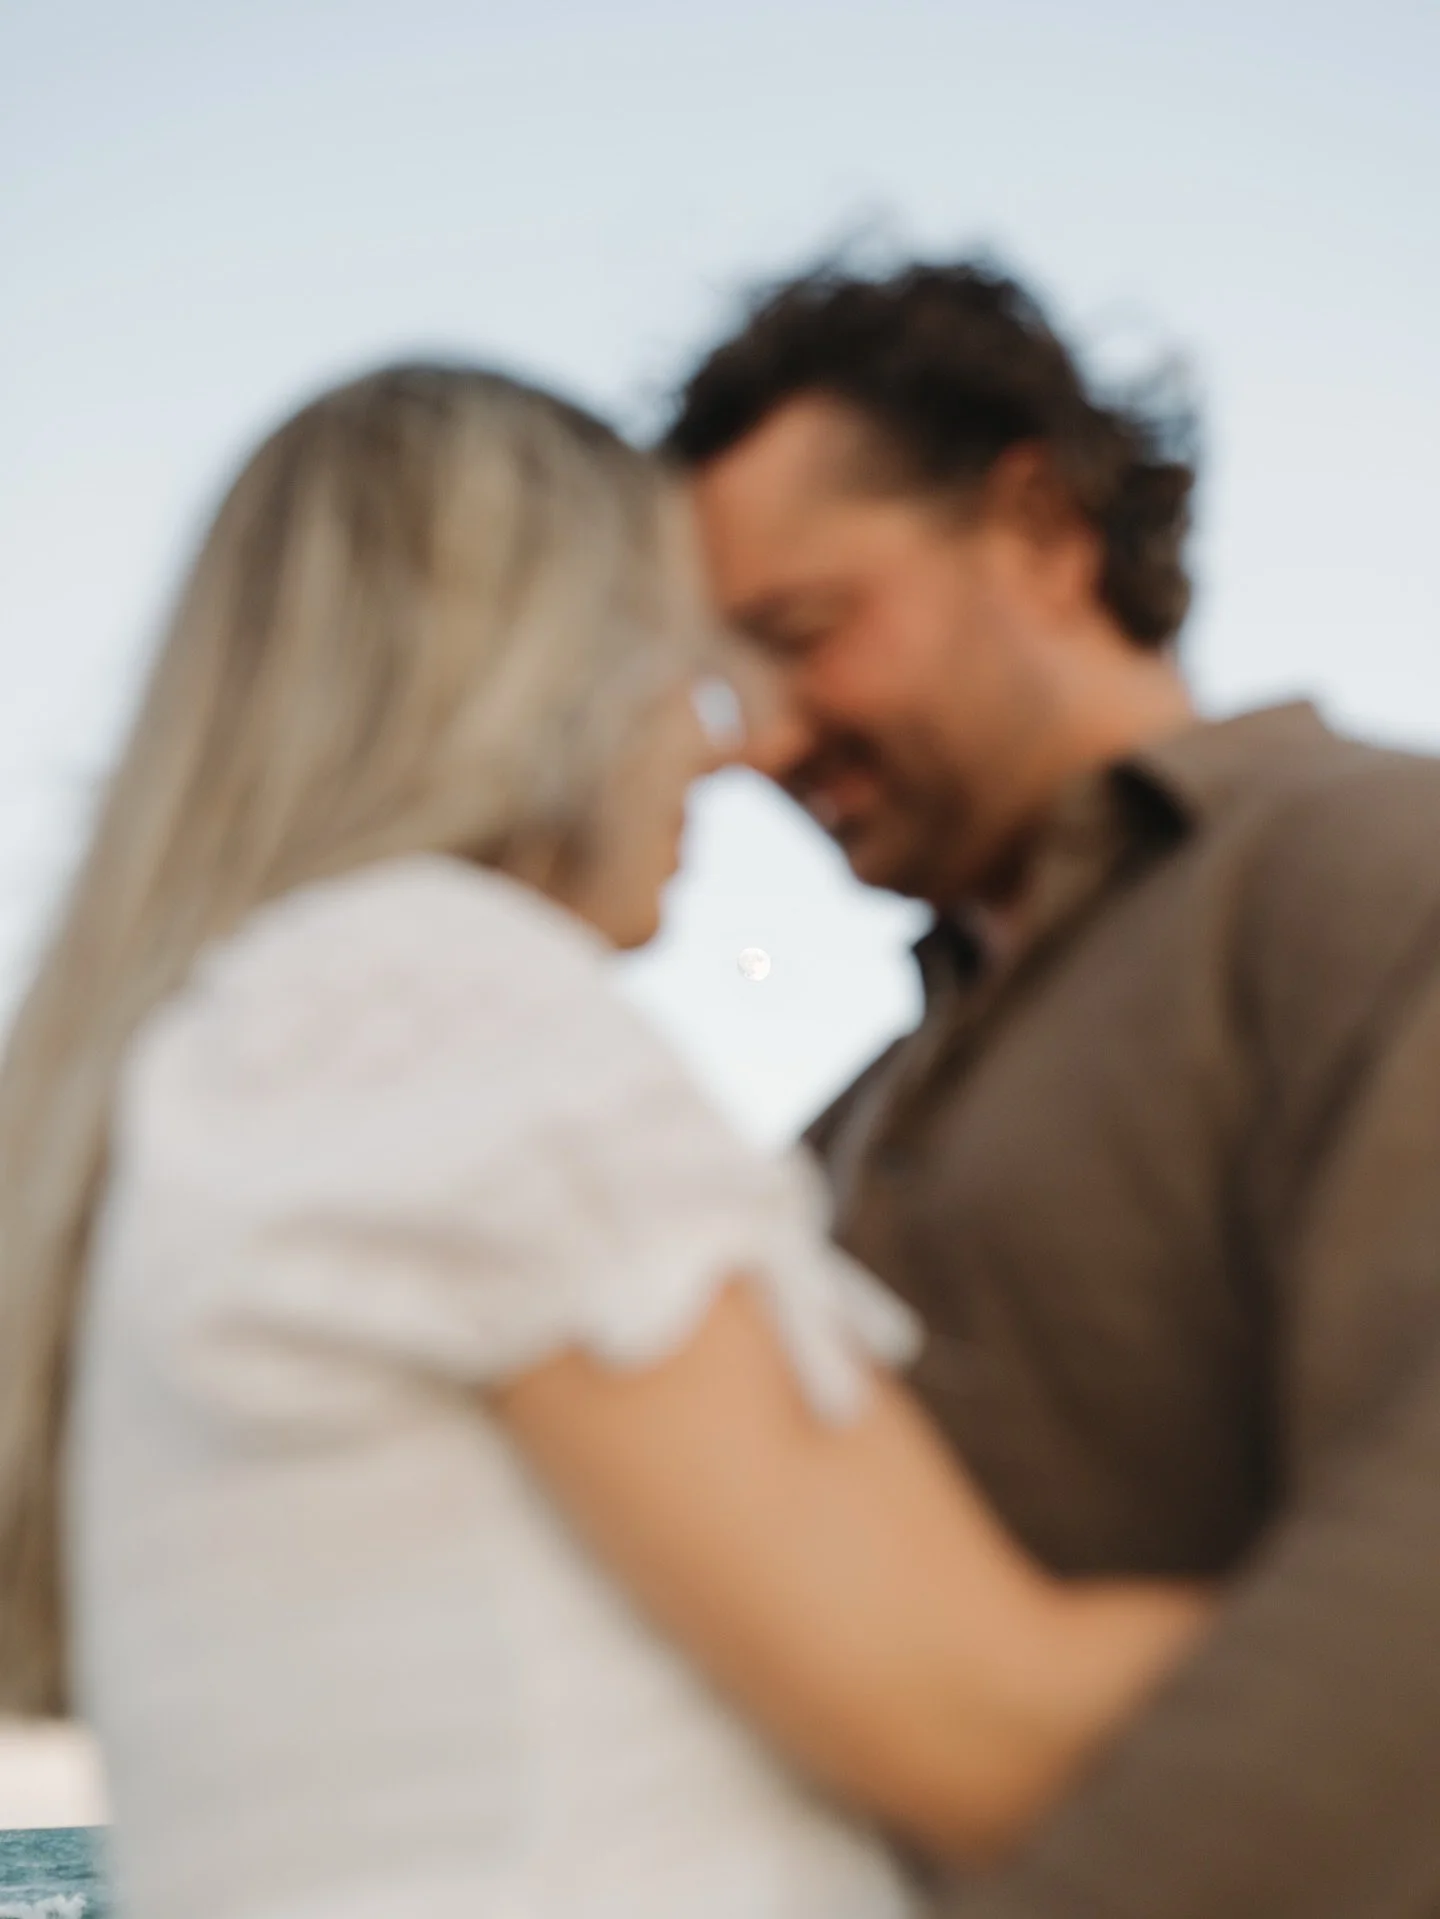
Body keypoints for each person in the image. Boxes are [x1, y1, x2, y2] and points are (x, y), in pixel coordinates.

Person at [0, 365, 1205, 1919]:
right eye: (684, 669)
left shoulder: (261, 1042)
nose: (732, 746)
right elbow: (975, 1720)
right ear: (536, 682)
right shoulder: (437, 1010)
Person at [667, 257, 1440, 1919]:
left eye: (807, 635)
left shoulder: (1372, 870)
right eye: (732, 680)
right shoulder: (840, 1124)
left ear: (1038, 525)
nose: (763, 741)